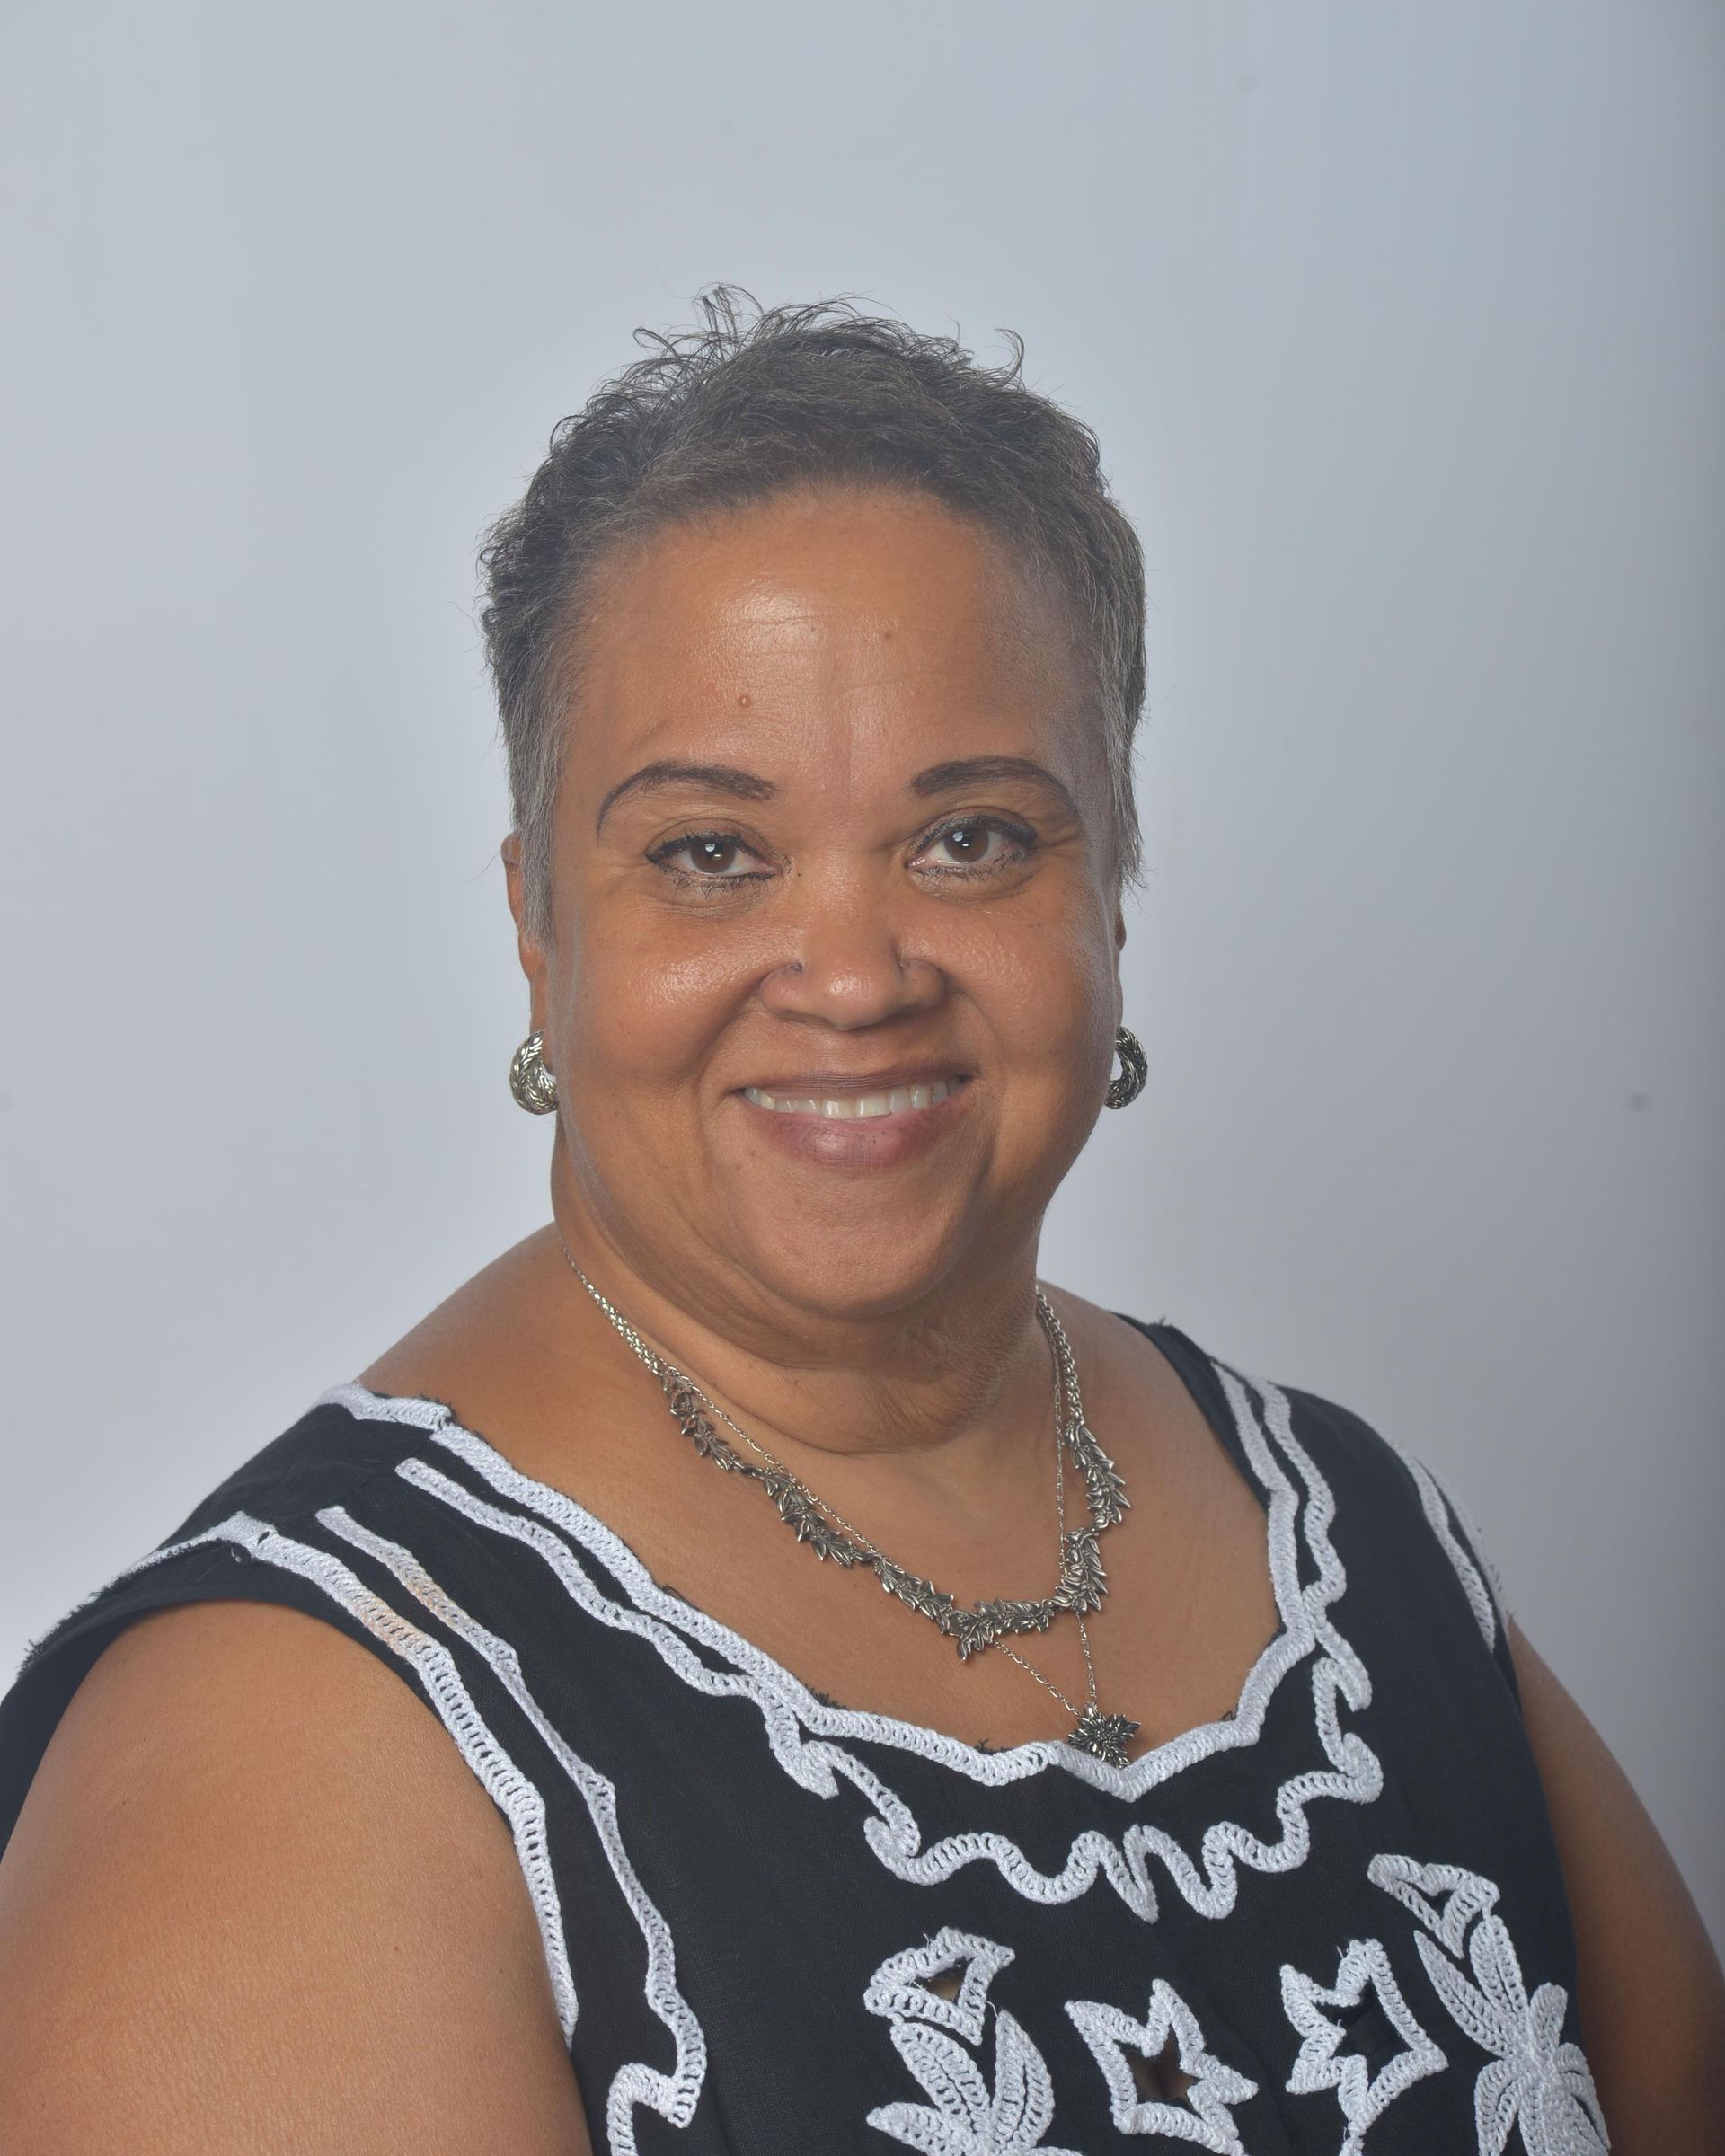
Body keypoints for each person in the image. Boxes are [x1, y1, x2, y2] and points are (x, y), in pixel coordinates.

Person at [0, 289, 1718, 2156]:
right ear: (535, 929)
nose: (853, 973)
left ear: (1112, 891)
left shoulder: (1357, 1537)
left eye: (972, 835)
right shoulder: (289, 1742)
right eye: (709, 853)